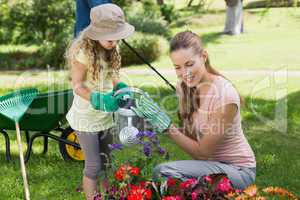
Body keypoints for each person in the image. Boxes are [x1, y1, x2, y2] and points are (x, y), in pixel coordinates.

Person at [132, 31, 256, 190]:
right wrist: (153, 120)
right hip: (210, 166)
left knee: (164, 172)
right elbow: (192, 140)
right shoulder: (184, 88)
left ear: (204, 56)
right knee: (165, 177)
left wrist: (166, 126)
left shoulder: (225, 95)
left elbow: (203, 153)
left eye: (189, 64)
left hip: (238, 171)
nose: (185, 73)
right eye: (177, 67)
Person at [65, 4, 134, 200]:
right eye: (110, 37)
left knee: (107, 162)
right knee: (94, 165)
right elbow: (77, 86)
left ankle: (109, 196)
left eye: (117, 36)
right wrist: (98, 98)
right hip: (86, 118)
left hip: (105, 115)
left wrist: (120, 86)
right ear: (96, 33)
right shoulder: (82, 53)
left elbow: (112, 76)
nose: (114, 41)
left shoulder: (111, 48)